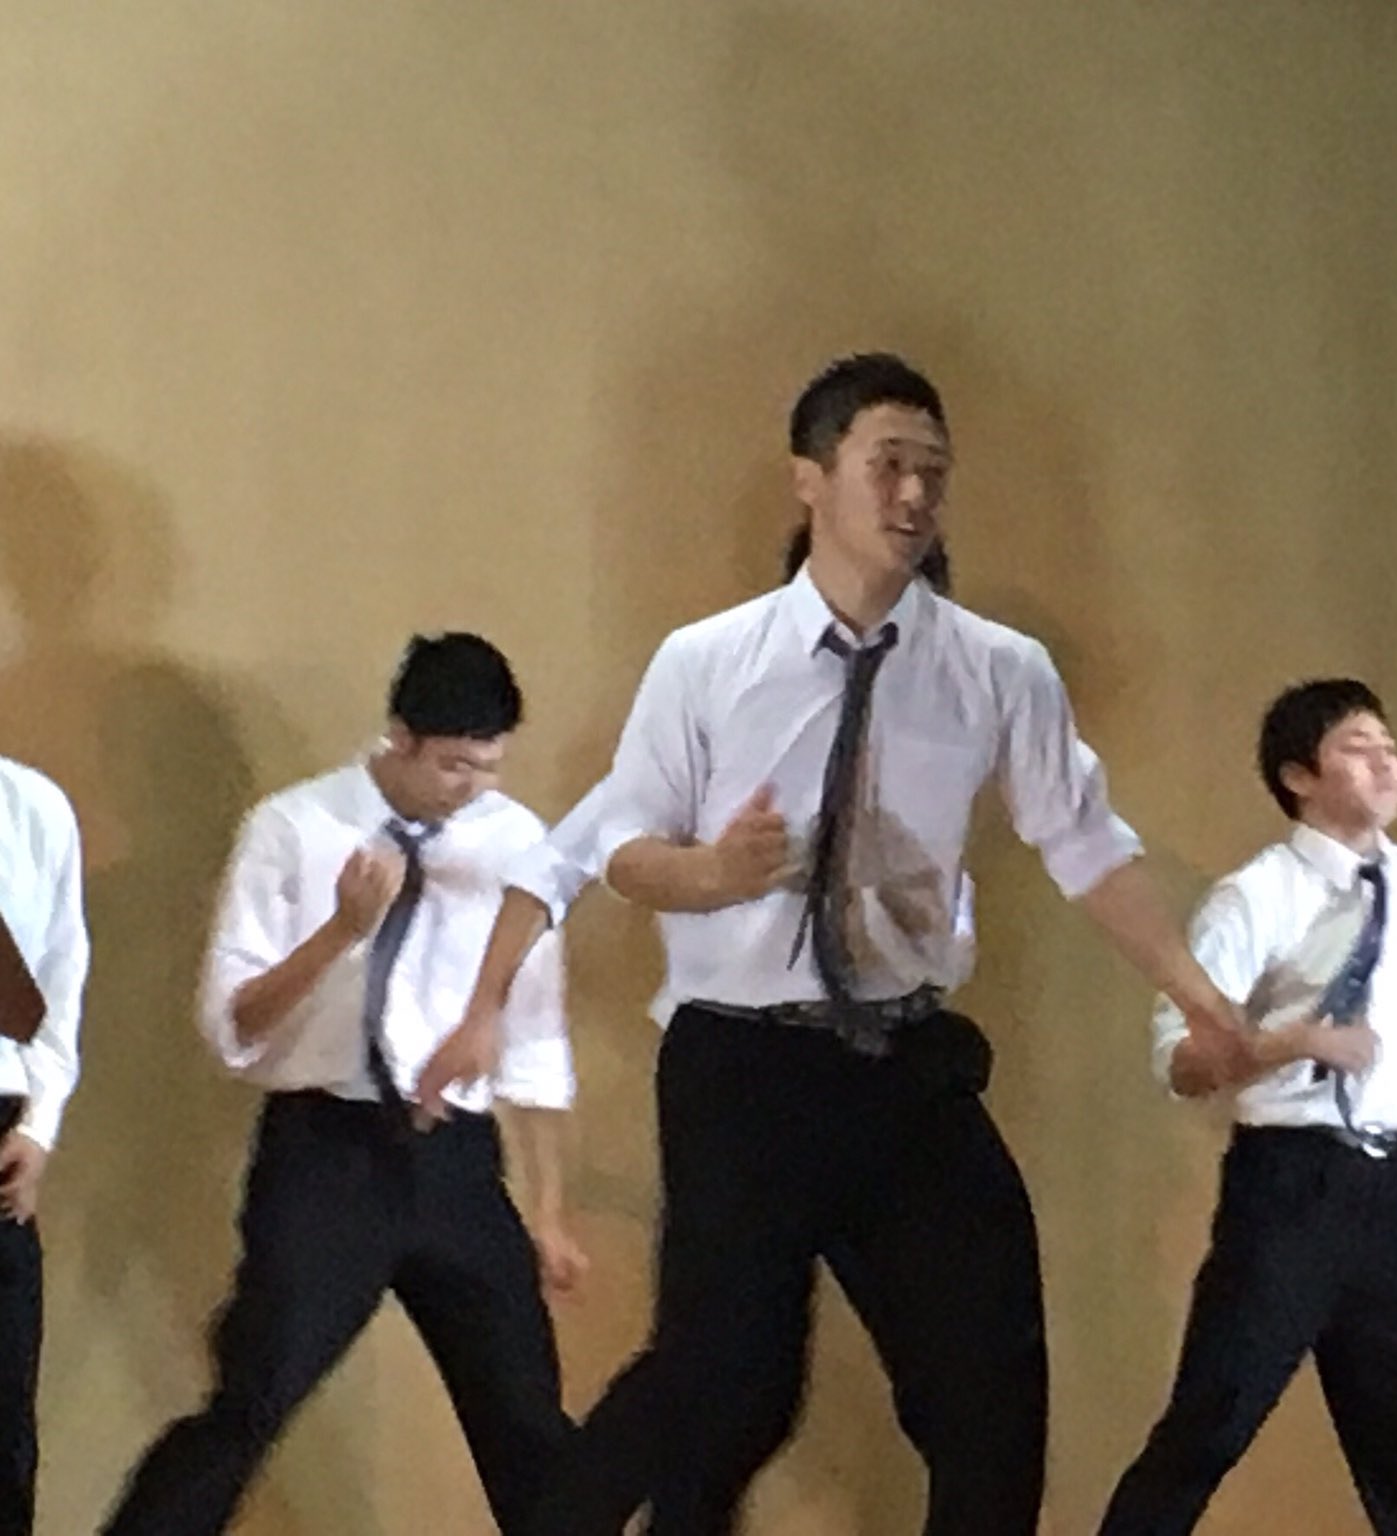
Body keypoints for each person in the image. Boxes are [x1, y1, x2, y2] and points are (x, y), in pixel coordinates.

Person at [416, 352, 1252, 1534]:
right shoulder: (709, 662)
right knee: (726, 1390)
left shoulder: (995, 671)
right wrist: (709, 875)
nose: (913, 494)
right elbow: (618, 849)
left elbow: (1085, 845)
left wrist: (1200, 998)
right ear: (810, 478)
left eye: (933, 472)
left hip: (905, 1063)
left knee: (989, 1390)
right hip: (743, 1066)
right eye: (886, 465)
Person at [101, 633, 582, 1536]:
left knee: (525, 1420)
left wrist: (550, 1212)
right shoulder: (293, 827)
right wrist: (340, 932)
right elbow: (232, 1025)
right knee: (252, 1397)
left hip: (455, 1159)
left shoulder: (515, 842)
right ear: (400, 737)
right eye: (453, 766)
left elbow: (536, 1037)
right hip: (326, 1153)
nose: (472, 787)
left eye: (488, 766)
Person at [1098, 677, 1397, 1536]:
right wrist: (1292, 1041)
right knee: (1213, 1419)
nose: (1384, 763)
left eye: (1389, 746)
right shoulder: (1256, 896)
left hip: (1395, 1189)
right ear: (1299, 777)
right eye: (1357, 747)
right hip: (1290, 1187)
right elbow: (1180, 1063)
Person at [0, 756, 88, 1536]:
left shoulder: (32, 808)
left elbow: (60, 981)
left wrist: (39, 1124)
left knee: (5, 1427)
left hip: (1, 1133)